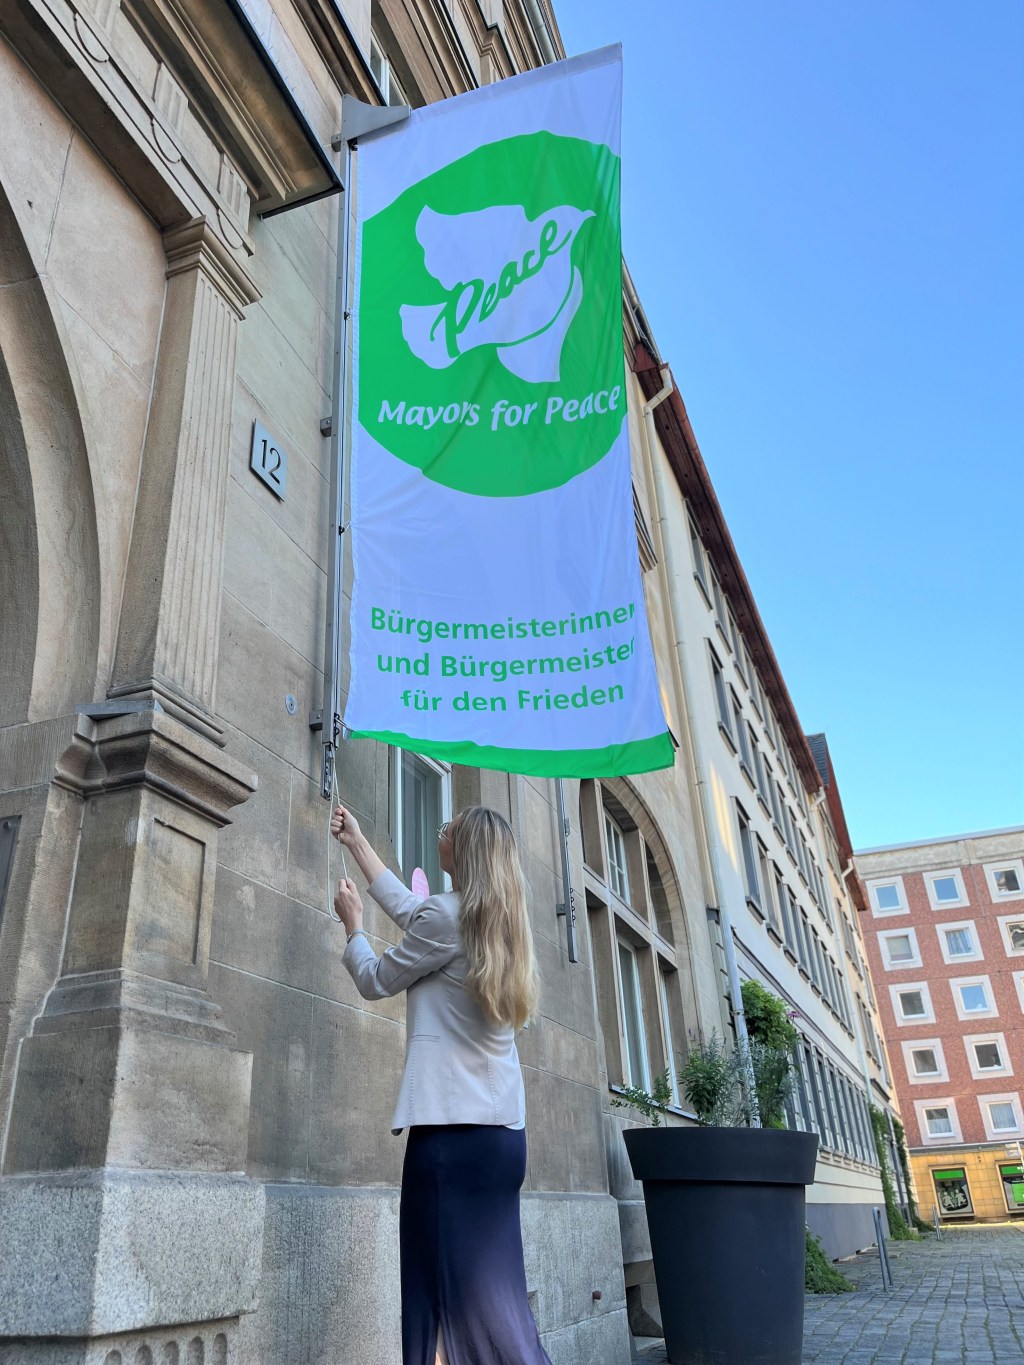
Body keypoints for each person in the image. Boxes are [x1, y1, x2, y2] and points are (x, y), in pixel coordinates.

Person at [331, 802, 553, 1365]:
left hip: (450, 1142)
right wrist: (358, 843)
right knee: (493, 1302)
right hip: (503, 1140)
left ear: (467, 851)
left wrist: (354, 928)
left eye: (448, 830)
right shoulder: (500, 926)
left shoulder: (448, 920)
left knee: (436, 1300)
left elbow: (377, 979)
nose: (441, 833)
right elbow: (416, 911)